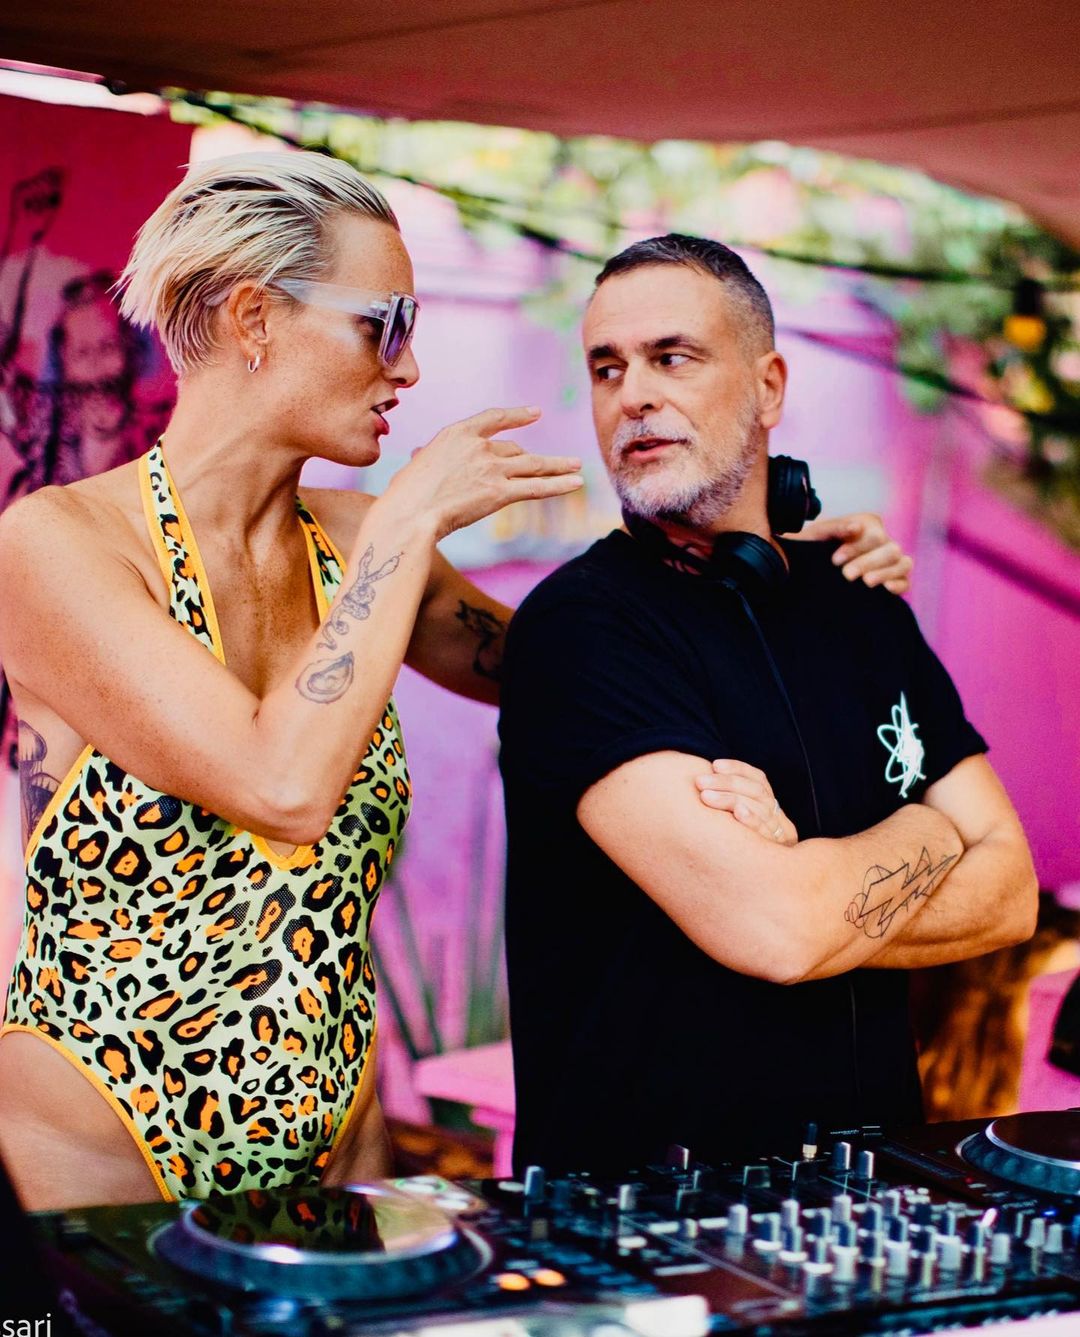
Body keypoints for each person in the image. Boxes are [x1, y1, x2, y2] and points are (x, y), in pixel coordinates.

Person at [0, 154, 909, 1212]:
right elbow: (279, 786)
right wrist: (409, 519)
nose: (410, 369)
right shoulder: (55, 544)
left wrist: (790, 577)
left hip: (340, 1152)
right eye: (382, 325)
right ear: (254, 319)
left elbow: (596, 679)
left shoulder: (358, 541)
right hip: (100, 1159)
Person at [498, 234, 1038, 1175]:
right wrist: (931, 832)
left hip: (868, 1193)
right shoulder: (583, 627)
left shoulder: (863, 600)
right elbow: (779, 930)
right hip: (650, 1210)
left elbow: (1013, 894)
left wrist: (817, 889)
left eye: (672, 357)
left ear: (769, 387)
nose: (633, 395)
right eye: (607, 368)